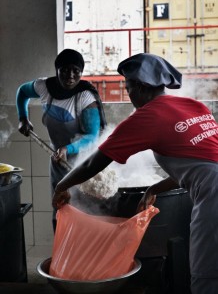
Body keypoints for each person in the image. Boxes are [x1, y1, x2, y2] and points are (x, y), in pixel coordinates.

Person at [52, 53, 218, 294]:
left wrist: (61, 186)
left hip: (213, 198)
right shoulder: (194, 106)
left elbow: (92, 165)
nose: (129, 96)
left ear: (140, 87)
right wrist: (155, 189)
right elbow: (199, 164)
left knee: (207, 277)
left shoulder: (148, 116)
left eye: (128, 88)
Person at [16, 48, 106, 231]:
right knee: (60, 210)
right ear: (57, 69)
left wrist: (68, 149)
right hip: (57, 162)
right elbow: (22, 92)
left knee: (83, 214)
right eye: (65, 70)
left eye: (76, 71)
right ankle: (62, 255)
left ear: (81, 72)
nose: (70, 76)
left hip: (83, 164)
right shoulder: (44, 87)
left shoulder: (85, 97)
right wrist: (23, 118)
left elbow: (92, 137)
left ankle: (83, 257)